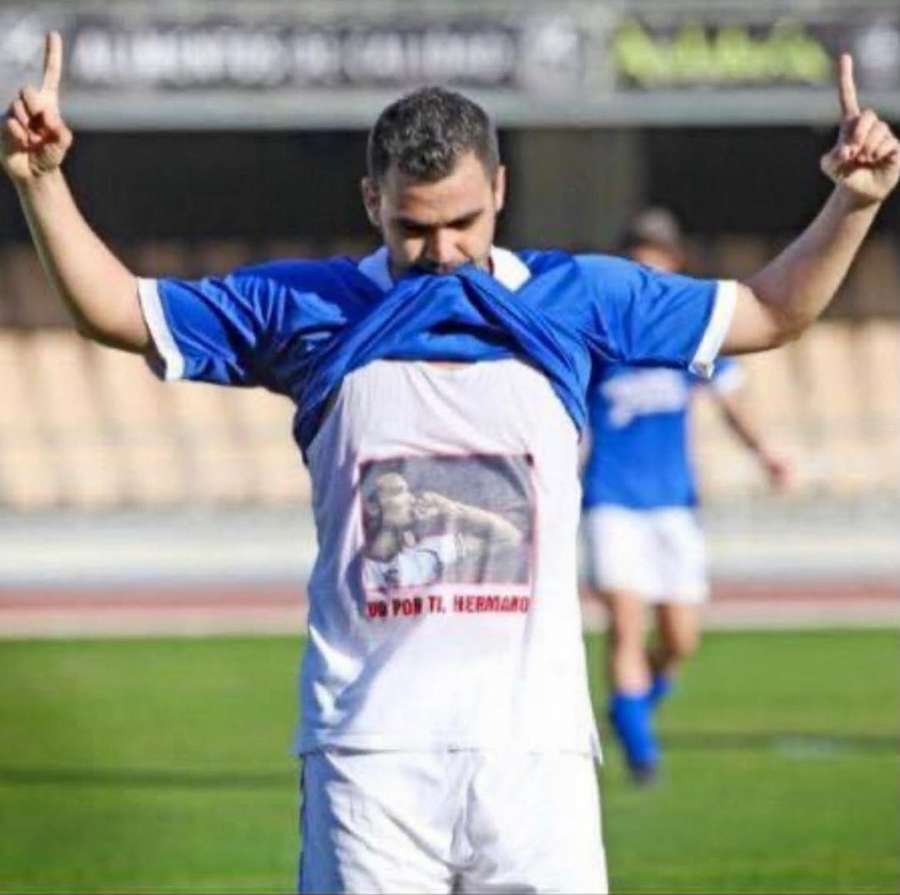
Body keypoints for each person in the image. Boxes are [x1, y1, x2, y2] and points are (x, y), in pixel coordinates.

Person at [3, 31, 896, 894]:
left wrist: (853, 203)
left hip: (534, 750)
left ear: (500, 189)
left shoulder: (578, 298)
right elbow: (116, 310)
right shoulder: (306, 307)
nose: (441, 254)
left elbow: (773, 311)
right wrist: (42, 184)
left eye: (463, 223)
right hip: (370, 752)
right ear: (370, 203)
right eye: (413, 228)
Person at [581, 207, 792, 785]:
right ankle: (641, 752)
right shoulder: (599, 337)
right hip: (611, 499)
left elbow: (732, 402)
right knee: (626, 622)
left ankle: (630, 709)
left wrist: (766, 452)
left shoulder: (686, 335)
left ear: (673, 265)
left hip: (674, 504)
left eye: (657, 258)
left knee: (680, 637)